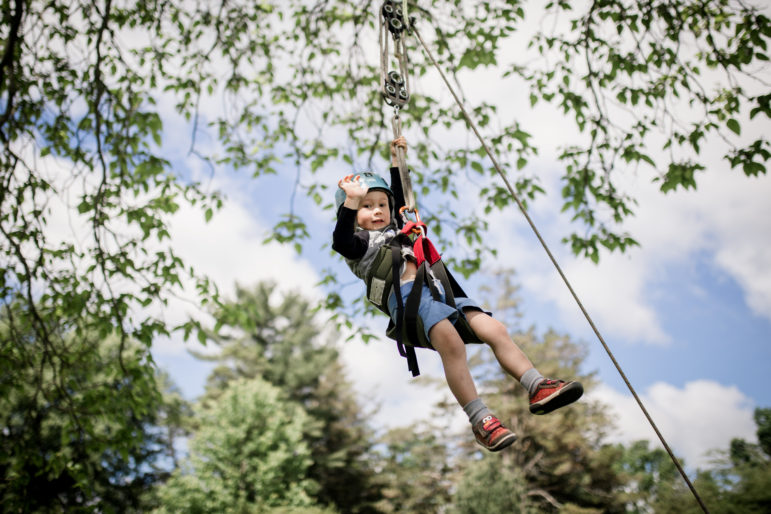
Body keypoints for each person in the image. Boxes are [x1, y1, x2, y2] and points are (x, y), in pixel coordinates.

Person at [332, 136, 583, 452]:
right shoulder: (358, 244)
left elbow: (399, 195)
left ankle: (536, 385)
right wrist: (351, 202)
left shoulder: (396, 226)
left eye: (382, 205)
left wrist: (397, 161)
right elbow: (340, 239)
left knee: (494, 328)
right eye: (367, 207)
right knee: (451, 343)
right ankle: (481, 420)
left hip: (438, 294)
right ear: (353, 213)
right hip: (409, 302)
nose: (378, 211)